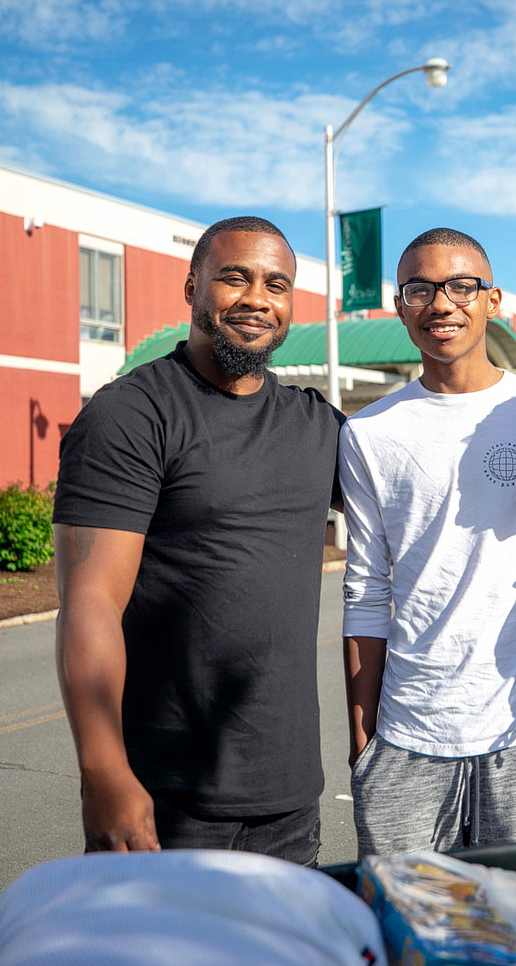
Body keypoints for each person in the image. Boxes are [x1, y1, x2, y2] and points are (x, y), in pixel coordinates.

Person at [52, 216, 342, 865]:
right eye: (234, 277)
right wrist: (103, 773)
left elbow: (429, 485)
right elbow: (90, 601)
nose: (256, 299)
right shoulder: (131, 414)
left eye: (276, 284)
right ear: (192, 286)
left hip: (290, 799)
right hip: (167, 798)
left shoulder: (315, 426)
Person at [340, 227, 516, 859]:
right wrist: (364, 737)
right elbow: (365, 587)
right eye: (421, 289)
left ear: (493, 301)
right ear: (400, 306)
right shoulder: (368, 433)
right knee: (408, 930)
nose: (442, 303)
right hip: (406, 734)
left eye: (461, 286)